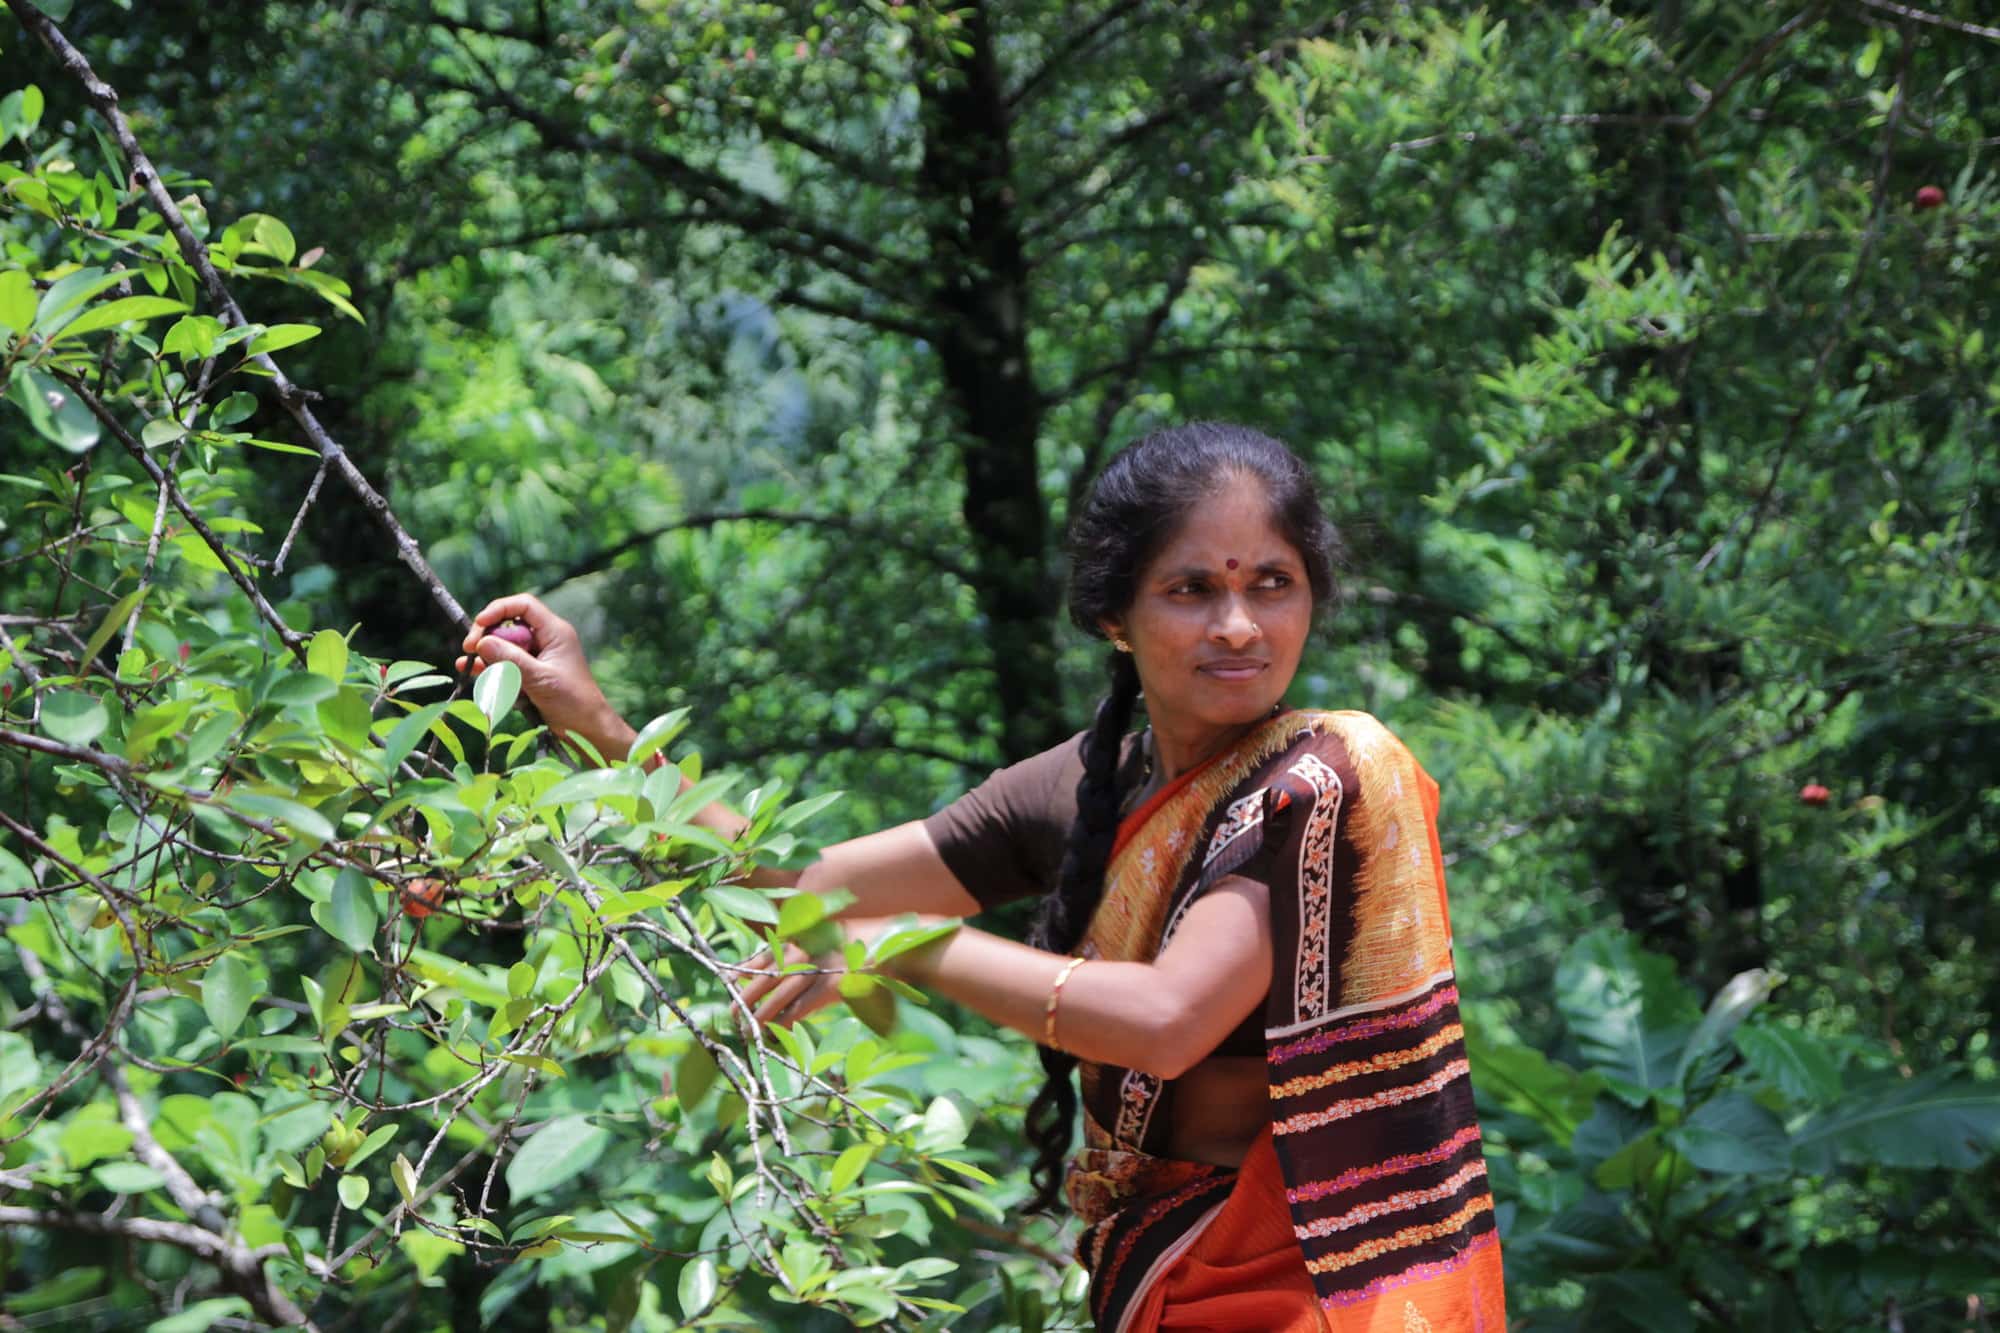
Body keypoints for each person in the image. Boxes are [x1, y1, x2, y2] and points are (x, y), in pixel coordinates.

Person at [457, 422, 1507, 1332]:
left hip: (1310, 1290)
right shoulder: (1086, 784)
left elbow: (1167, 1019)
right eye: (1191, 588)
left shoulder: (1321, 778)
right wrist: (594, 724)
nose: (1237, 624)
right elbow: (805, 883)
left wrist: (907, 945)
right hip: (1155, 1273)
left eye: (1269, 584)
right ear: (1113, 614)